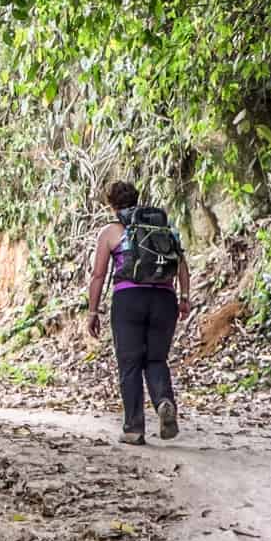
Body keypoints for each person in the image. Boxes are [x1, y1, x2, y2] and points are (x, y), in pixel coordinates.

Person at [86, 181, 191, 444]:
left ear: (111, 205)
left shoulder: (111, 232)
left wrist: (93, 311)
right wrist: (185, 299)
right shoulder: (163, 228)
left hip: (129, 299)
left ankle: (133, 428)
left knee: (130, 363)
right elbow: (182, 266)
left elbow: (99, 275)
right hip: (164, 299)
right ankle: (164, 401)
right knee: (156, 359)